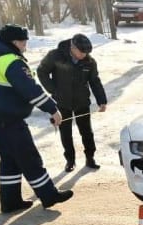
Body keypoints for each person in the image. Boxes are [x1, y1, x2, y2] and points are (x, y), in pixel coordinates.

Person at [0, 24, 74, 213]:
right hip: (7, 122)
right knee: (29, 158)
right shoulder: (10, 61)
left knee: (10, 159)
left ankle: (10, 201)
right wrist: (53, 109)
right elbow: (31, 90)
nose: (25, 46)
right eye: (22, 42)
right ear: (13, 42)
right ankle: (49, 195)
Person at [37, 34, 107, 172]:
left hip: (82, 101)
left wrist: (102, 100)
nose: (84, 55)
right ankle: (70, 160)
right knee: (66, 132)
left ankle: (90, 157)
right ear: (73, 47)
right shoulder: (55, 56)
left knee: (87, 131)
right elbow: (42, 71)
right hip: (62, 102)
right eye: (82, 52)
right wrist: (53, 91)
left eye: (86, 52)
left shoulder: (89, 62)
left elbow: (95, 81)